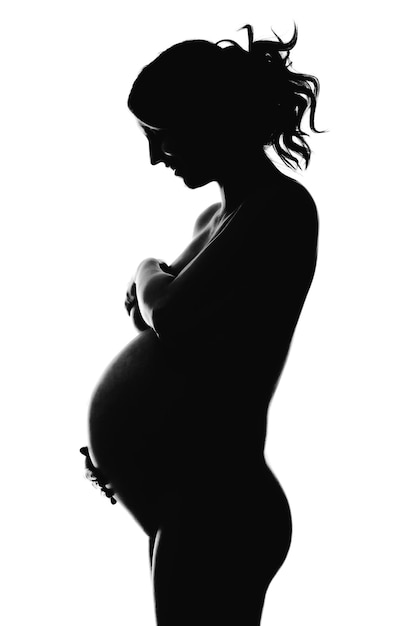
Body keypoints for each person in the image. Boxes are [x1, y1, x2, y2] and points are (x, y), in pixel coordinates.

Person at [82, 23, 322, 626]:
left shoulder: (280, 208)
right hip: (188, 496)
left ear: (208, 120)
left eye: (163, 137)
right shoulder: (212, 222)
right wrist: (132, 455)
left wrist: (142, 269)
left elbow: (171, 314)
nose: (156, 156)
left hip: (223, 499)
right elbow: (188, 355)